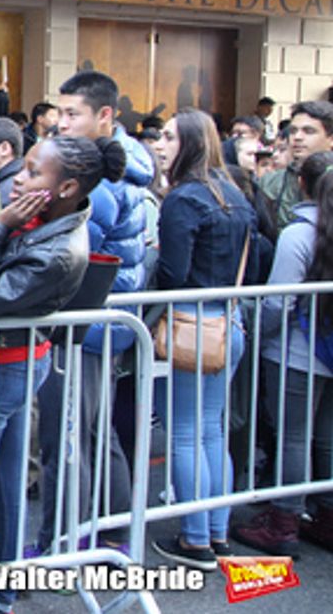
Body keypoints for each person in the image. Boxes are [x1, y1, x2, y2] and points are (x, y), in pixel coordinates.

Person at [0, 136, 120, 614]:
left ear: (66, 187)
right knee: (5, 488)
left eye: (32, 172)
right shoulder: (46, 220)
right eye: (22, 168)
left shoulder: (56, 249)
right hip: (14, 364)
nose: (18, 179)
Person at [31, 70, 154, 557]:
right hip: (105, 326)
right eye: (59, 112)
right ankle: (114, 536)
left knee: (68, 441)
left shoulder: (100, 181)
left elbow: (75, 256)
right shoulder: (127, 166)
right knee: (99, 435)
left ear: (105, 116)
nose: (60, 124)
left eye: (71, 114)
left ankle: (64, 547)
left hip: (82, 325)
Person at [149, 109, 256, 569]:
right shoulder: (233, 194)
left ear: (189, 143)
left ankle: (196, 540)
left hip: (192, 326)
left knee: (189, 434)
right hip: (229, 323)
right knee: (212, 433)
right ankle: (214, 532)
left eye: (170, 137)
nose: (161, 144)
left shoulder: (185, 198)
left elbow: (173, 273)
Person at [235, 150, 333, 555]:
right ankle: (326, 516)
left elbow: (277, 303)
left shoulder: (296, 236)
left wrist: (258, 335)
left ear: (302, 185)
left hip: (295, 353)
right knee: (327, 438)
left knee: (293, 437)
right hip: (328, 354)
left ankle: (284, 521)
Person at [258, 101, 333, 232]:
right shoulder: (269, 182)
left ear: (331, 139)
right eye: (293, 131)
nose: (297, 137)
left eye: (309, 131)